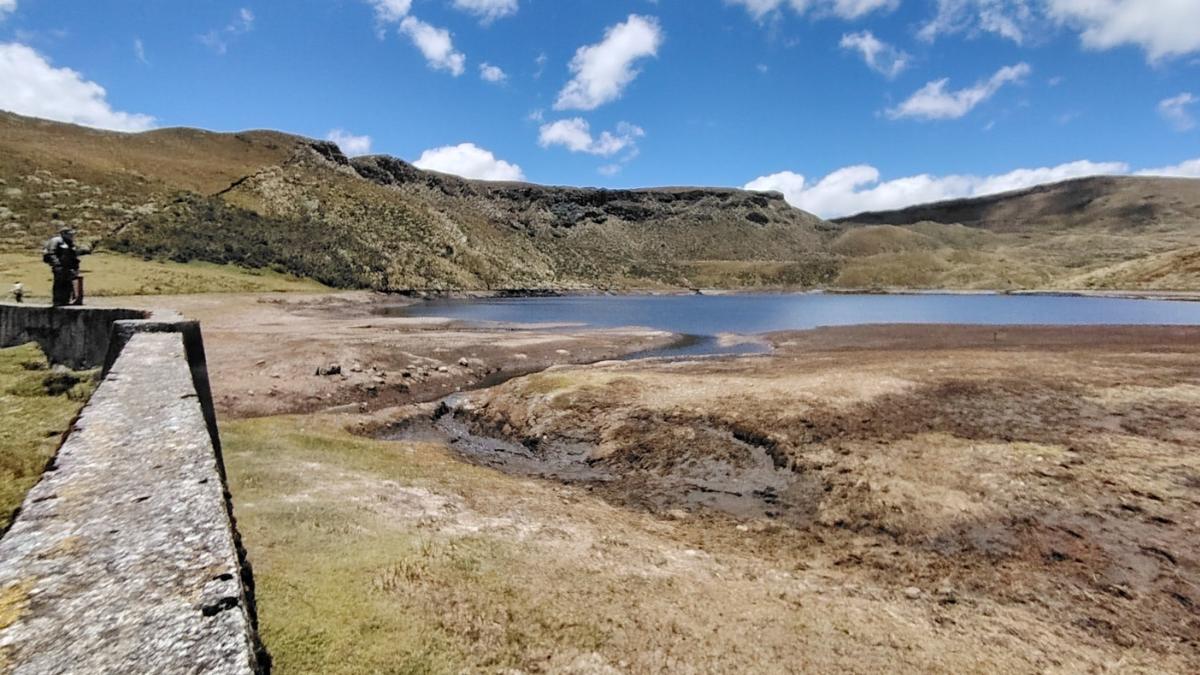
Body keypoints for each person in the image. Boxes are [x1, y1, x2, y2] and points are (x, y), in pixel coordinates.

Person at [43, 226, 82, 306]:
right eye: (68, 233)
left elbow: (73, 256)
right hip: (59, 267)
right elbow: (52, 253)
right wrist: (57, 264)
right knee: (59, 283)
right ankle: (57, 300)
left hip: (68, 268)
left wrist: (75, 266)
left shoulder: (70, 243)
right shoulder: (56, 241)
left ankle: (66, 300)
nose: (71, 235)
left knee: (68, 284)